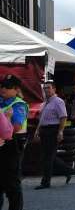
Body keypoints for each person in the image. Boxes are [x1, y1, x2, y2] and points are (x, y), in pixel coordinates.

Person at [34, 81, 75, 190]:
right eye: (45, 88)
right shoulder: (44, 103)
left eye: (48, 88)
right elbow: (41, 119)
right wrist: (37, 131)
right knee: (48, 157)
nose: (46, 90)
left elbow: (63, 117)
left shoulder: (58, 102)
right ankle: (69, 171)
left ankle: (45, 182)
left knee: (48, 158)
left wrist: (60, 132)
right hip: (44, 130)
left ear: (54, 89)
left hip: (53, 131)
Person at [0, 75, 28, 210]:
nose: (3, 88)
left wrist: (6, 119)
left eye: (8, 86)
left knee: (12, 181)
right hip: (1, 143)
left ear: (16, 90)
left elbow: (16, 127)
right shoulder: (1, 102)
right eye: (2, 85)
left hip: (12, 145)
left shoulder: (18, 104)